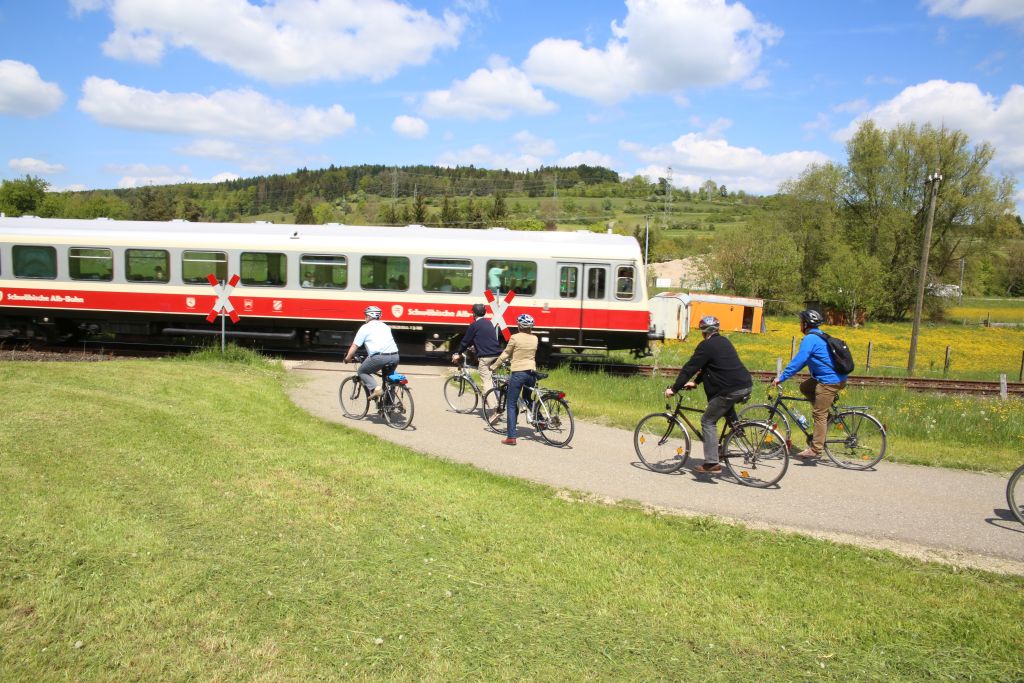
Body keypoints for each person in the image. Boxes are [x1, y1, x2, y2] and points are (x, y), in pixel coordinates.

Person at [664, 315, 753, 474]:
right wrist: (697, 382)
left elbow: (689, 368)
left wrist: (674, 389)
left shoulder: (706, 346)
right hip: (744, 385)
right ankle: (736, 434)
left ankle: (712, 463)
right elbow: (710, 366)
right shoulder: (724, 341)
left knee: (708, 421)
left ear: (703, 331)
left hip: (729, 389)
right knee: (724, 407)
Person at [771, 309, 848, 459]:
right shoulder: (820, 336)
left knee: (819, 414)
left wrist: (781, 378)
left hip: (829, 381)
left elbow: (799, 360)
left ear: (806, 324)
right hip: (834, 378)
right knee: (805, 387)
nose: (800, 325)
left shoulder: (810, 339)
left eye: (801, 322)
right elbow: (805, 361)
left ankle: (816, 449)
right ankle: (826, 419)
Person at [489, 313, 538, 446]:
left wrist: (494, 366)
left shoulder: (515, 337)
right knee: (528, 399)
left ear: (519, 325)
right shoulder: (535, 338)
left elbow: (506, 353)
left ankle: (511, 437)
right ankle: (541, 421)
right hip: (532, 373)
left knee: (511, 404)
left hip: (519, 373)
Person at [343, 305, 400, 400]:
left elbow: (354, 346)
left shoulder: (365, 328)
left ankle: (376, 389)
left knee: (362, 371)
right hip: (395, 356)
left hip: (379, 358)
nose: (365, 318)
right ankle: (388, 409)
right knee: (388, 379)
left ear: (369, 316)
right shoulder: (385, 326)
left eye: (365, 315)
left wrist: (347, 358)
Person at [451, 303, 502, 393]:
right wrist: (476, 346)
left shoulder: (474, 325)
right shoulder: (489, 323)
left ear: (474, 314)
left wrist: (458, 353)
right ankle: (497, 398)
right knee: (492, 379)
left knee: (486, 382)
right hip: (498, 354)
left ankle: (493, 406)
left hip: (486, 357)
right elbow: (485, 338)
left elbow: (465, 342)